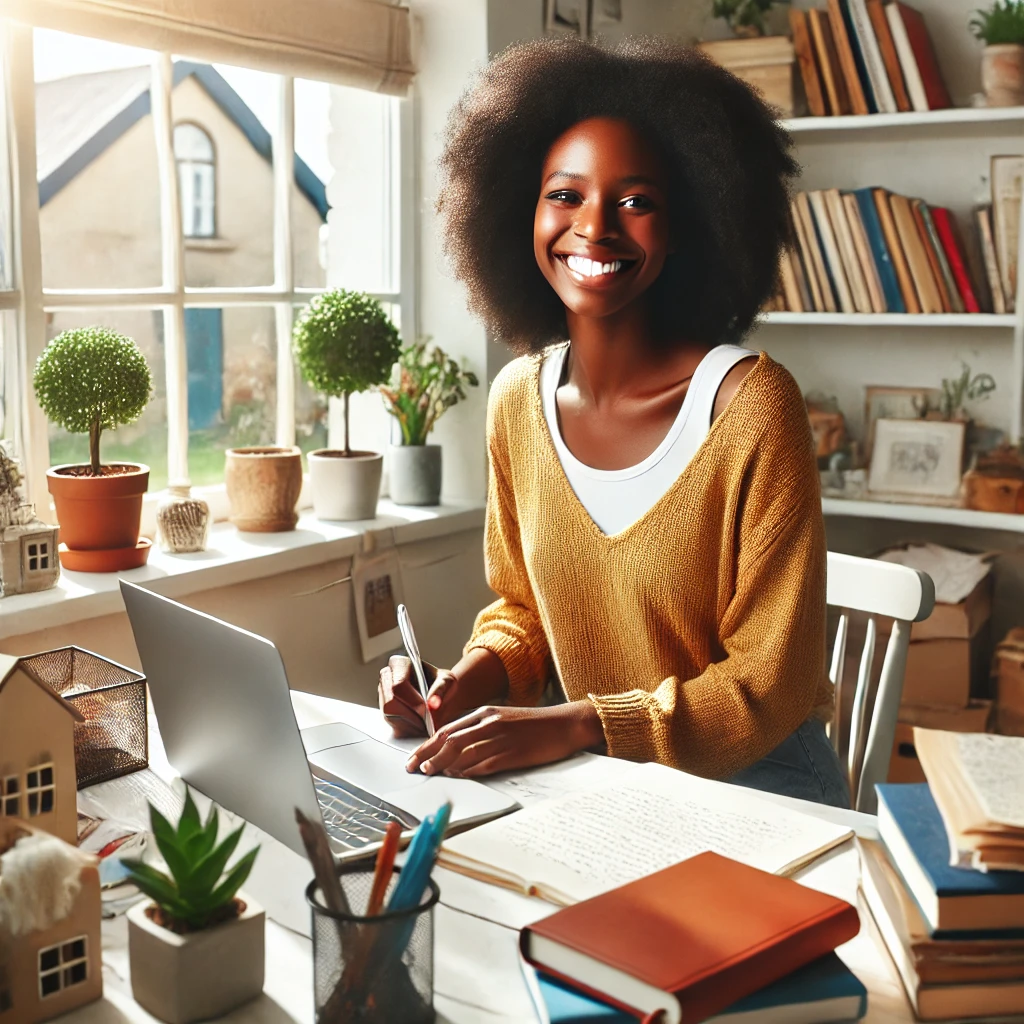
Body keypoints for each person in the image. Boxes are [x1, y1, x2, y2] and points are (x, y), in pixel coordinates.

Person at [378, 36, 850, 808]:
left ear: (692, 220)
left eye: (636, 201)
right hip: (606, 786)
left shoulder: (752, 407)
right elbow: (523, 611)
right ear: (517, 210)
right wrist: (462, 681)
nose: (594, 228)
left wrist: (576, 725)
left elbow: (769, 680)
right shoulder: (515, 402)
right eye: (565, 195)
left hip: (760, 790)